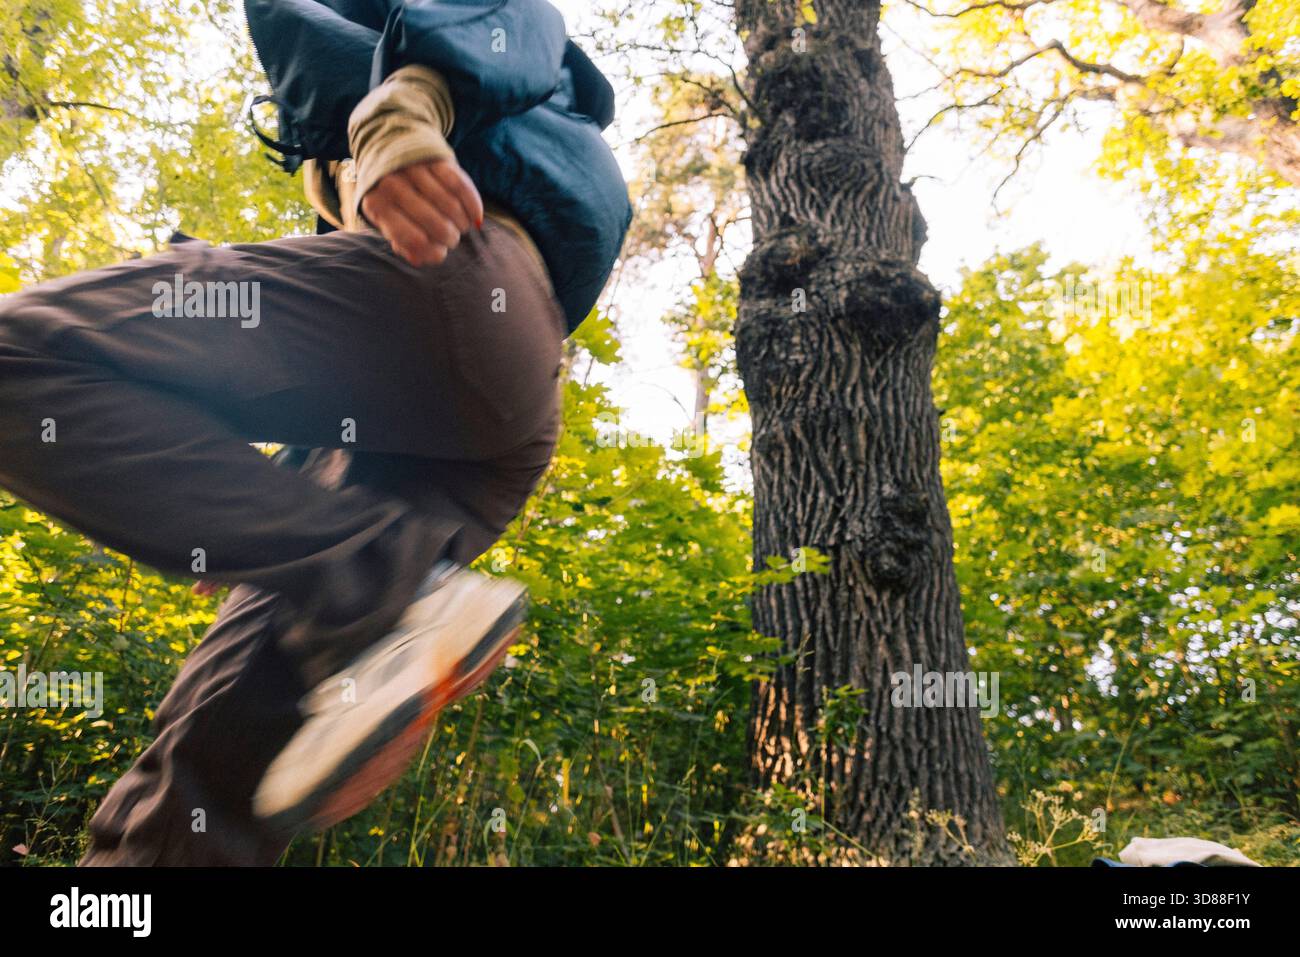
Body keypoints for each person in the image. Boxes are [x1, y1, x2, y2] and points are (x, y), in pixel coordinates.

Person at [0, 0, 630, 865]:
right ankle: (388, 596)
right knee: (207, 768)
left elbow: (519, 21)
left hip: (456, 293)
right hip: (462, 424)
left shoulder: (459, 59)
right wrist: (233, 511)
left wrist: (400, 112)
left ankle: (379, 586)